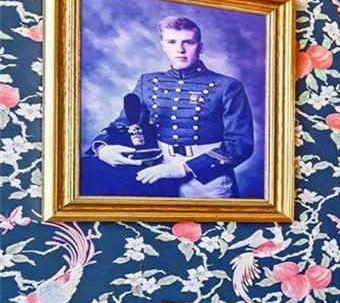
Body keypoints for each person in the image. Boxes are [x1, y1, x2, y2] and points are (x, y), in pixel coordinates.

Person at [89, 14, 254, 198]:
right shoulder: (147, 81)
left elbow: (240, 144)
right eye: (172, 42)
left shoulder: (227, 86)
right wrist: (102, 149)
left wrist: (184, 168)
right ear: (163, 46)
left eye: (188, 42)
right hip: (156, 173)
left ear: (201, 46)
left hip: (208, 178)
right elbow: (124, 123)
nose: (180, 49)